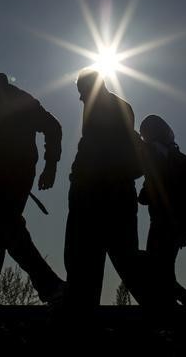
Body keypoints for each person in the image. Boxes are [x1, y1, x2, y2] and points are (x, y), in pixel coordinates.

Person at [0, 71, 65, 317]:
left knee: (5, 233)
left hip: (14, 176)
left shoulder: (22, 103)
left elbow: (53, 127)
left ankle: (51, 287)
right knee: (4, 235)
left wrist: (51, 166)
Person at [64, 69, 147, 309]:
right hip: (117, 196)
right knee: (125, 261)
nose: (80, 98)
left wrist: (78, 180)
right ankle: (162, 314)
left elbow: (95, 153)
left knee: (86, 265)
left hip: (97, 198)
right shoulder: (120, 108)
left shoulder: (100, 113)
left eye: (81, 92)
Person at [138, 114, 186, 306]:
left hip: (162, 223)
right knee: (163, 272)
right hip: (179, 224)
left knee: (157, 272)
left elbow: (150, 192)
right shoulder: (177, 157)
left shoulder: (154, 153)